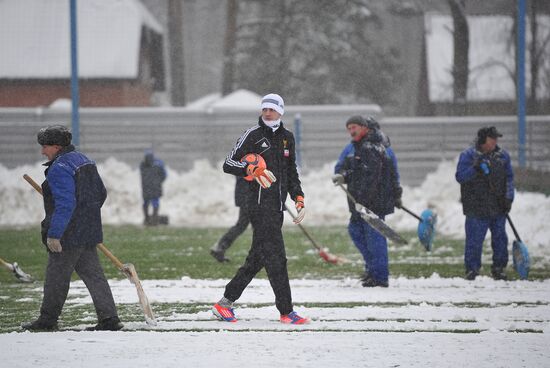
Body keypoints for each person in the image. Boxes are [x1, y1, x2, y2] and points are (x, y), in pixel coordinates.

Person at [212, 93, 309, 324]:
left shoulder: (287, 138)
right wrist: (251, 171)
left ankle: (224, 304)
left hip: (276, 208)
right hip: (256, 206)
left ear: (280, 112)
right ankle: (287, 312)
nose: (267, 112)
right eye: (264, 109)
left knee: (257, 259)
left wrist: (298, 197)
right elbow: (228, 164)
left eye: (272, 109)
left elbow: (290, 172)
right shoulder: (252, 135)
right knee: (277, 259)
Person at [22, 125, 123, 331]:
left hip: (68, 233)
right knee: (94, 276)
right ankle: (109, 319)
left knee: (56, 277)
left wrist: (55, 234)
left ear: (57, 147)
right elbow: (100, 193)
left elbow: (65, 204)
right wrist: (86, 216)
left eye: (45, 146)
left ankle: (47, 320)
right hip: (88, 230)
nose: (43, 151)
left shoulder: (59, 168)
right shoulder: (84, 160)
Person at [332, 115, 402, 287]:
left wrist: (395, 194)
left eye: (354, 127)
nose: (351, 131)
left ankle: (379, 276)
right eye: (349, 128)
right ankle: (373, 270)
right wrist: (343, 175)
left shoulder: (374, 148)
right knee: (356, 231)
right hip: (360, 201)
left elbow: (373, 176)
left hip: (372, 202)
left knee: (375, 238)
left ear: (366, 129)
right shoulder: (358, 147)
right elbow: (356, 172)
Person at [455, 126, 514, 281]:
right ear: (482, 140)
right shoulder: (468, 156)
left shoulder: (503, 157)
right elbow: (460, 177)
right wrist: (475, 169)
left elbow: (509, 178)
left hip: (498, 205)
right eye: (492, 138)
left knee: (500, 239)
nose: (495, 141)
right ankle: (472, 269)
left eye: (496, 139)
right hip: (476, 206)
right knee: (474, 240)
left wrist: (508, 198)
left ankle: (499, 268)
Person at [210, 177, 250, 262]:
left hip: (248, 194)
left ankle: (220, 247)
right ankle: (220, 247)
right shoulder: (245, 164)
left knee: (243, 225)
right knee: (251, 225)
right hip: (249, 195)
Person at [140, 150, 167, 226]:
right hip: (154, 188)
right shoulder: (158, 164)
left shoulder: (142, 165)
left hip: (147, 188)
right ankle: (153, 220)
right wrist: (158, 182)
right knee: (154, 203)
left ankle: (147, 219)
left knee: (147, 203)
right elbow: (164, 175)